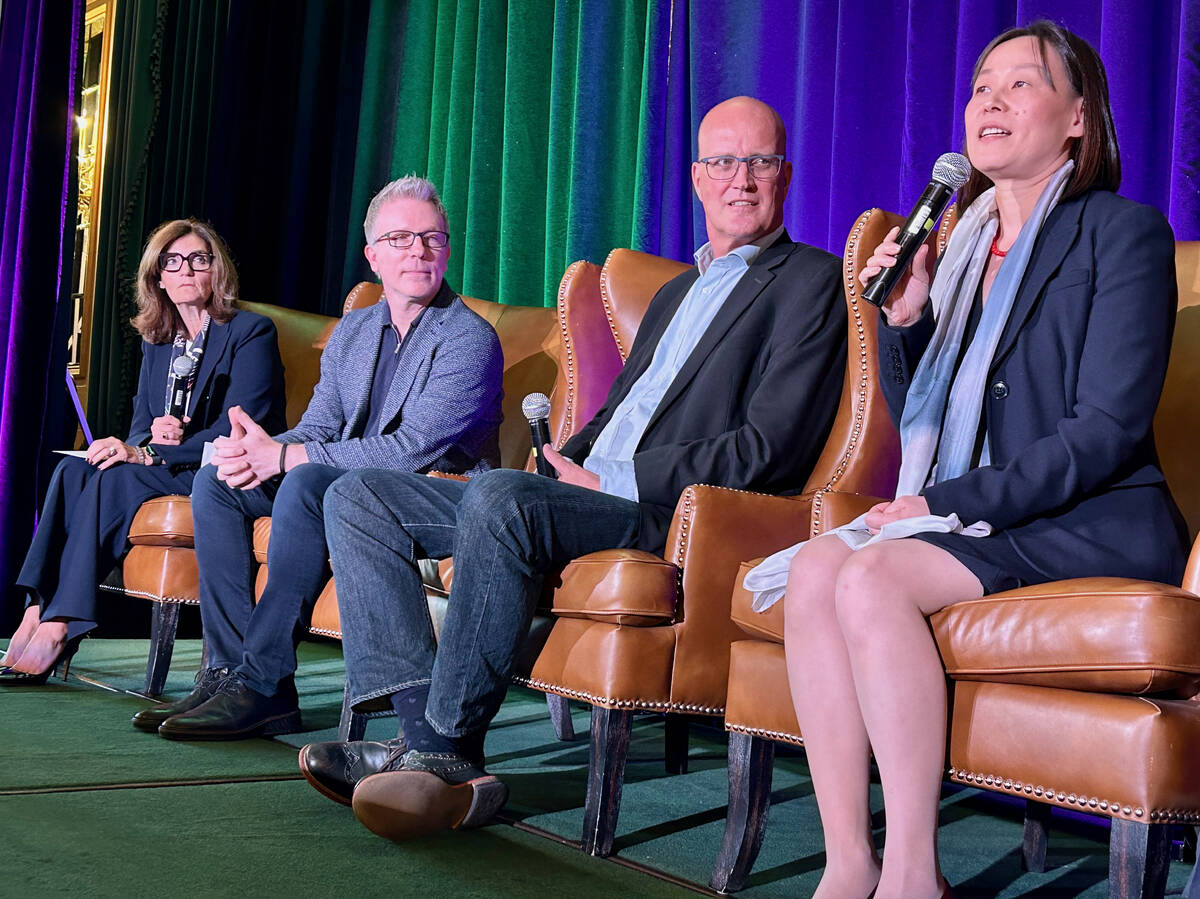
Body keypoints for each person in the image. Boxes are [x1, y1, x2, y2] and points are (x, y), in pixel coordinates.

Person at [298, 96, 849, 841]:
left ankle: (442, 753)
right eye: (723, 161)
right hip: (580, 493)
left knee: (498, 494)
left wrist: (610, 480)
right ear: (696, 177)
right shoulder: (675, 292)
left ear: (785, 174)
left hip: (669, 512)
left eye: (758, 161)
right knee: (357, 494)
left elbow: (769, 448)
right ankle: (416, 737)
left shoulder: (811, 281)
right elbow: (619, 412)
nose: (740, 179)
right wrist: (565, 460)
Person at [741, 22, 1188, 899]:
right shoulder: (956, 250)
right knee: (819, 566)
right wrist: (906, 323)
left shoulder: (1123, 233)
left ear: (1078, 121)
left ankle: (912, 872)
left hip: (1088, 519)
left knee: (870, 579)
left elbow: (1103, 428)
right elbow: (938, 411)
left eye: (1021, 84)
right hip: (987, 514)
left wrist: (942, 503)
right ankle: (848, 862)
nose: (989, 99)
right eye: (983, 84)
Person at [133, 175, 504, 741]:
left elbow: (410, 452)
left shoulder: (467, 338)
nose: (419, 252)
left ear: (448, 248)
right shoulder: (354, 329)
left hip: (431, 494)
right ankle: (230, 673)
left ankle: (264, 681)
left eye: (433, 238)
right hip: (339, 482)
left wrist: (290, 461)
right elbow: (319, 426)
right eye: (401, 239)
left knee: (307, 484)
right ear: (373, 256)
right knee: (217, 482)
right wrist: (259, 452)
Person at [0, 219, 286, 684]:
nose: (186, 270)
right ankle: (36, 608)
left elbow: (240, 428)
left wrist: (152, 453)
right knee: (75, 472)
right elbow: (140, 432)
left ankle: (61, 624)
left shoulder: (251, 332)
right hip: (168, 466)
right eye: (172, 263)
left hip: (226, 472)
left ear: (218, 270)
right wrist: (141, 441)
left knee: (119, 475)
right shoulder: (158, 343)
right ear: (158, 278)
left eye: (198, 259)